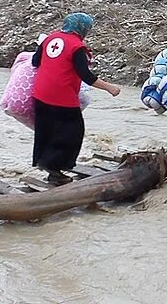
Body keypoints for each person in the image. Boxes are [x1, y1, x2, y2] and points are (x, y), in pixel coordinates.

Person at [31, 12, 121, 185]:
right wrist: (110, 88)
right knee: (72, 133)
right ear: (82, 28)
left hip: (40, 94)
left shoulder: (50, 38)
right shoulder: (77, 47)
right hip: (62, 97)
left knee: (46, 131)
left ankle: (46, 165)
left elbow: (35, 62)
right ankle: (55, 169)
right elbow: (85, 75)